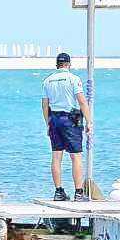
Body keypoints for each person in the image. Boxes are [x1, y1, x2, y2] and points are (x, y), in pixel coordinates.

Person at [41, 52, 93, 201]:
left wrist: (48, 123)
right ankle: (78, 192)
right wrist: (89, 121)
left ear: (57, 65)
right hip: (71, 118)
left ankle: (58, 191)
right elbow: (82, 102)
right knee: (76, 155)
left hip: (54, 119)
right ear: (69, 64)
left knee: (56, 156)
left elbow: (44, 104)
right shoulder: (73, 79)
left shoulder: (48, 81)